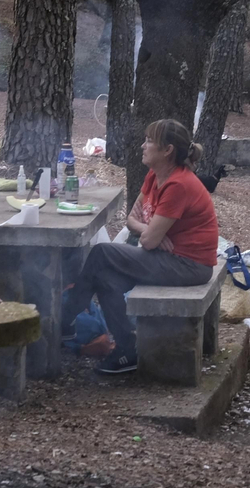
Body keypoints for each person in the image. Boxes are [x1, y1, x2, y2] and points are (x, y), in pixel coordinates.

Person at [61, 120, 219, 374]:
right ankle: (127, 349)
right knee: (105, 276)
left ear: (167, 150)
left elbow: (147, 242)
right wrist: (150, 229)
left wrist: (149, 233)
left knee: (102, 252)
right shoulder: (155, 176)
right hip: (169, 258)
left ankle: (63, 318)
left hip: (189, 265)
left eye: (149, 141)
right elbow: (132, 218)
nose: (143, 145)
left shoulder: (177, 184)